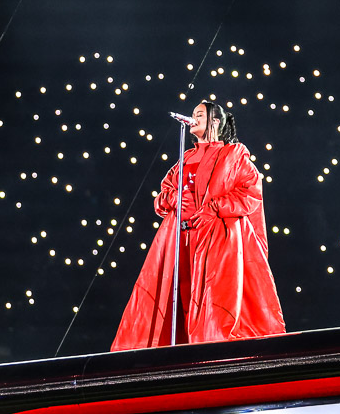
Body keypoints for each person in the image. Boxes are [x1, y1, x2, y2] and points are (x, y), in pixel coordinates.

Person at [111, 100, 285, 349]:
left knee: (213, 298)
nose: (193, 118)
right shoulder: (186, 158)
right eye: (193, 114)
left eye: (199, 114)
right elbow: (162, 196)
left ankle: (214, 349)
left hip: (217, 239)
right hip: (182, 240)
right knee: (181, 295)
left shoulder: (233, 156)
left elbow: (250, 193)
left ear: (215, 121)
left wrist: (214, 208)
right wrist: (173, 198)